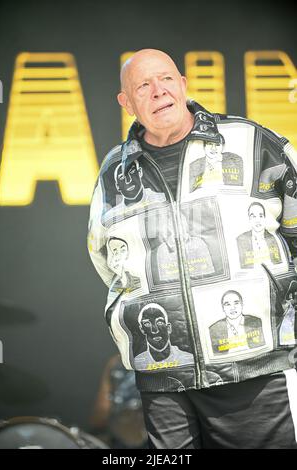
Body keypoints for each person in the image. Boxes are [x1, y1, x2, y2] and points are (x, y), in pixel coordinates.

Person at [88, 49, 297, 449]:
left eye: (166, 79)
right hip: (163, 374)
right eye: (143, 86)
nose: (158, 92)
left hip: (255, 368)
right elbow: (105, 257)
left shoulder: (252, 142)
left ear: (183, 84)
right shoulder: (115, 172)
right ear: (126, 102)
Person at [134, 303, 194, 370]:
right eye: (147, 324)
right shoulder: (137, 362)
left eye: (159, 322)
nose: (155, 330)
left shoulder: (188, 359)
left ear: (168, 328)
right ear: (142, 330)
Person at [209, 290, 265, 355]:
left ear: (242, 304)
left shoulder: (255, 322)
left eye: (236, 303)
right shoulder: (214, 329)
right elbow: (217, 354)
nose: (232, 308)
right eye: (227, 304)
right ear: (223, 308)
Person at [237, 201, 282, 269]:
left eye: (260, 216)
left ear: (264, 218)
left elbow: (278, 263)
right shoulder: (241, 239)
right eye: (253, 216)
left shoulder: (272, 238)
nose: (257, 220)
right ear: (249, 219)